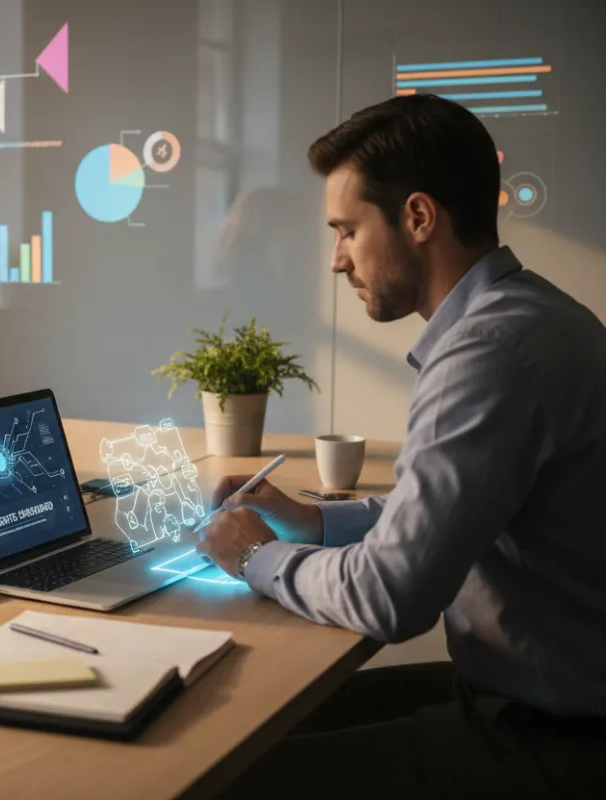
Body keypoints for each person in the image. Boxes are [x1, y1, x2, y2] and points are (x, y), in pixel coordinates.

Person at [198, 95, 606, 795]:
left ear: (418, 217)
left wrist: (251, 555)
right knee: (251, 728)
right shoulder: (534, 316)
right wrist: (314, 522)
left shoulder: (487, 353)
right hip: (543, 701)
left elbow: (390, 597)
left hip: (553, 743)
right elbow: (454, 507)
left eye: (347, 231)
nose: (336, 261)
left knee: (222, 770)